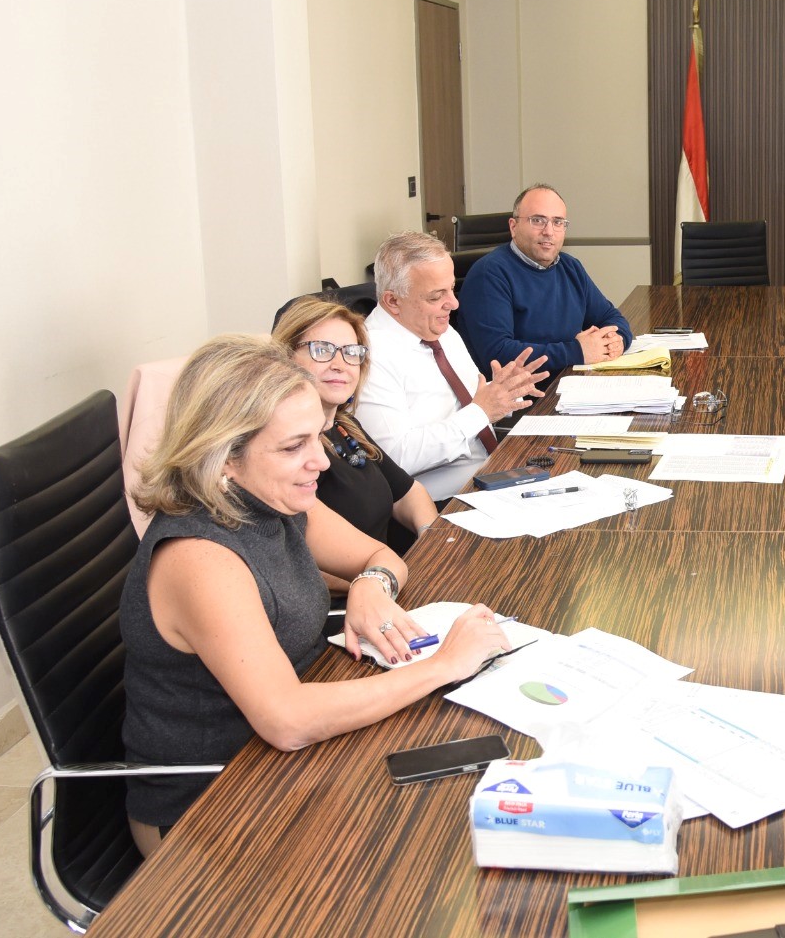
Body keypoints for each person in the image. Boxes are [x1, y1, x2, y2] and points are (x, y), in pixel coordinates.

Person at [122, 335, 511, 852]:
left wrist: (371, 586)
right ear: (223, 457)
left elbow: (381, 556)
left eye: (318, 438)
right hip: (211, 804)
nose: (321, 463)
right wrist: (444, 665)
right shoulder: (199, 558)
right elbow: (287, 720)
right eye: (293, 447)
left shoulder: (270, 498)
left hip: (289, 760)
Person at [354, 232, 546, 501]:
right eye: (436, 296)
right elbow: (395, 457)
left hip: (495, 472)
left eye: (452, 288)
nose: (454, 304)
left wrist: (505, 390)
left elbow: (467, 401)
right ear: (393, 301)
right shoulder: (369, 356)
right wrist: (482, 412)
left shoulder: (439, 330)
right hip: (444, 501)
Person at [272, 296, 436, 554]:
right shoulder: (284, 446)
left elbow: (408, 493)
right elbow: (305, 558)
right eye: (322, 350)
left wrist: (432, 541)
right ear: (285, 357)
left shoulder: (345, 426)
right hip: (366, 577)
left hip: (392, 568)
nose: (340, 365)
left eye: (351, 352)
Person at [459, 183, 632, 385]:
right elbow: (498, 354)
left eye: (558, 222)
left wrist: (617, 340)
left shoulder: (571, 267)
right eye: (538, 220)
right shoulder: (489, 274)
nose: (549, 231)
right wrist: (577, 351)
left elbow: (611, 317)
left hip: (570, 383)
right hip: (522, 397)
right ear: (513, 227)